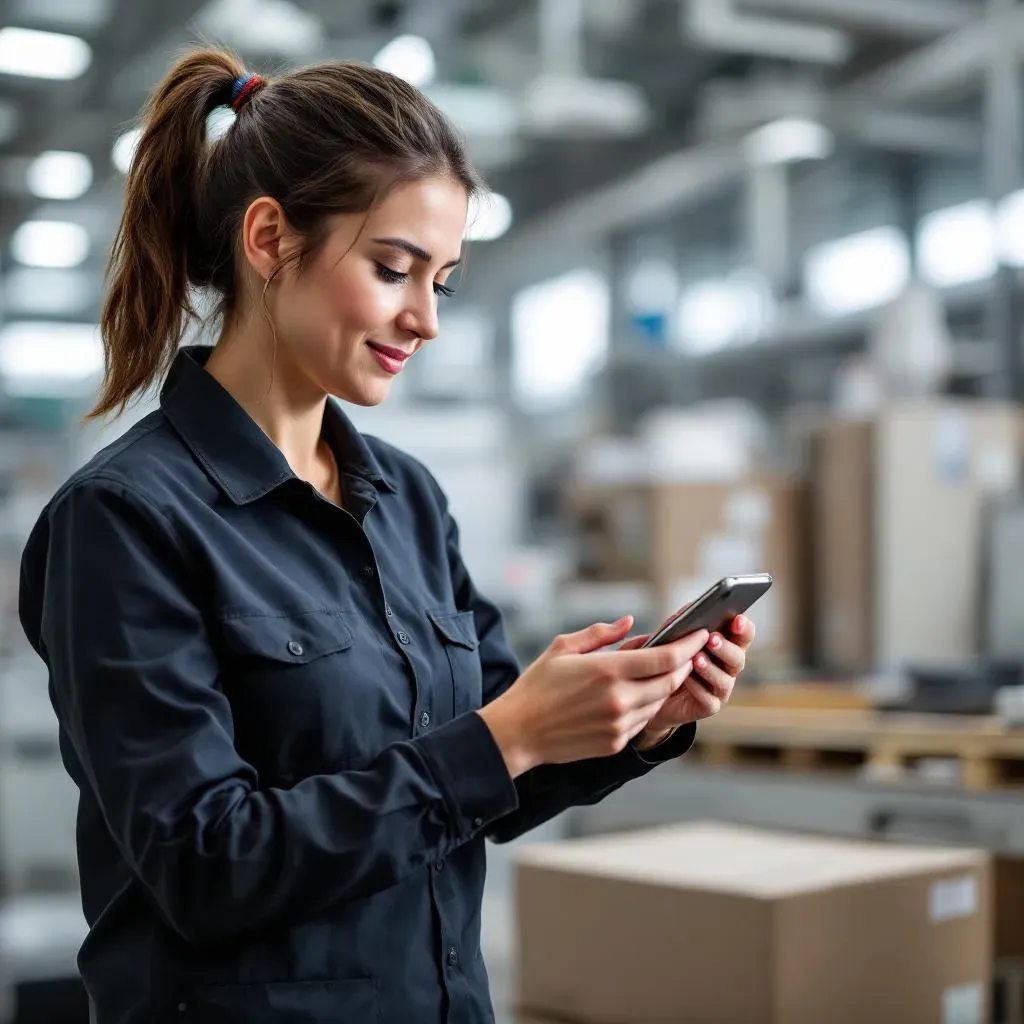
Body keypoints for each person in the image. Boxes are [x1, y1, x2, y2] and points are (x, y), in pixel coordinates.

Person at [17, 48, 756, 1024]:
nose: (425, 319)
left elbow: (492, 771)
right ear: (269, 239)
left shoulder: (406, 499)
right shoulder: (126, 520)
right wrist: (506, 736)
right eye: (393, 269)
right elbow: (204, 862)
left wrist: (634, 720)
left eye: (441, 282)